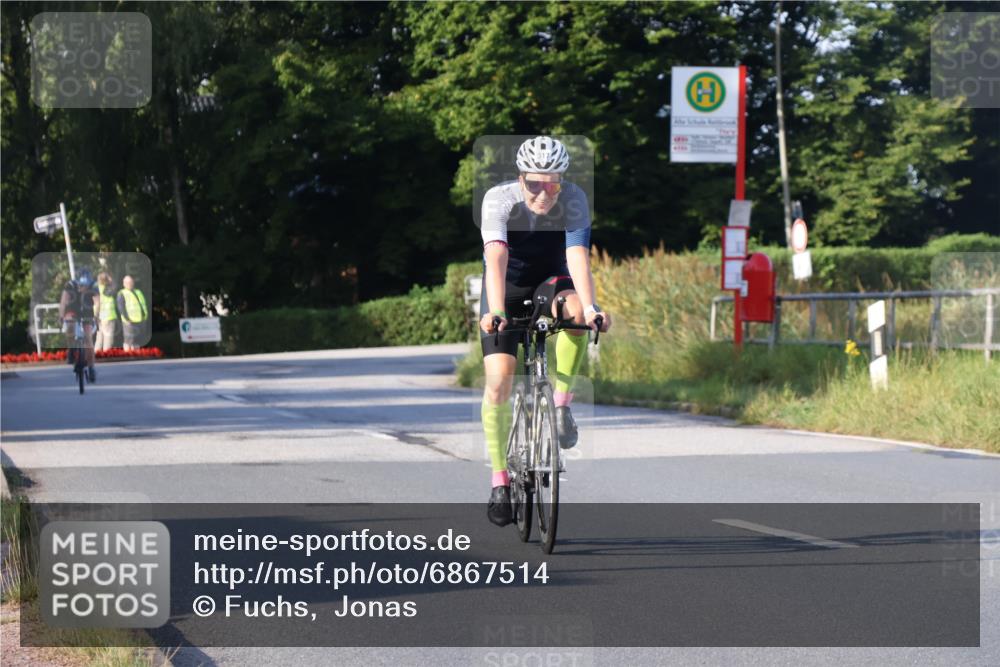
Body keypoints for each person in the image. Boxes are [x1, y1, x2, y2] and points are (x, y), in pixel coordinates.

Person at [478, 136, 612, 527]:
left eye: (552, 184)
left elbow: (577, 255)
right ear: (521, 178)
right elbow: (496, 256)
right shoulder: (499, 199)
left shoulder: (573, 198)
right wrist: (496, 311)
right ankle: (500, 481)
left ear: (561, 181)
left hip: (551, 281)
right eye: (534, 183)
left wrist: (592, 308)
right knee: (500, 381)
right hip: (506, 287)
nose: (543, 192)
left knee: (576, 313)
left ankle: (561, 405)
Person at [58, 268, 99, 382]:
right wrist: (61, 316)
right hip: (73, 309)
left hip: (87, 311)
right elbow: (63, 301)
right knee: (70, 324)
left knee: (88, 338)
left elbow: (97, 303)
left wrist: (96, 316)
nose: (82, 288)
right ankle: (71, 349)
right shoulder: (70, 285)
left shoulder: (94, 286)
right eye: (81, 285)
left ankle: (91, 367)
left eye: (85, 286)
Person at [117, 275, 148, 351]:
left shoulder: (138, 292)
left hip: (140, 320)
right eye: (127, 282)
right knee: (129, 340)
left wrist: (145, 316)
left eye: (131, 282)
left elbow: (143, 305)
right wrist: (127, 319)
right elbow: (121, 308)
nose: (130, 284)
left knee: (137, 340)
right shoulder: (122, 293)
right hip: (129, 321)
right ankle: (127, 354)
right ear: (124, 284)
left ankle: (135, 354)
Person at [95, 272, 119, 352]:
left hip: (100, 315)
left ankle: (96, 354)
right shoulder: (107, 289)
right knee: (108, 338)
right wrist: (111, 280)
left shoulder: (97, 288)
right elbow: (115, 286)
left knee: (100, 338)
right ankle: (106, 355)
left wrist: (96, 315)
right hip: (108, 315)